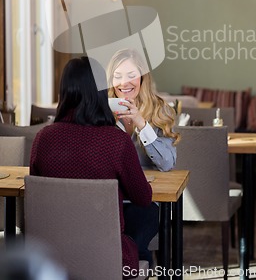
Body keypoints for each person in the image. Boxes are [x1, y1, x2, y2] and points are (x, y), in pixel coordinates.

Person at [30, 56, 152, 277]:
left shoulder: (42, 138)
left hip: (49, 257)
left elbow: (38, 196)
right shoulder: (116, 141)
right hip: (107, 257)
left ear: (64, 91)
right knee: (144, 235)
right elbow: (143, 197)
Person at [107, 48, 180, 265]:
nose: (124, 83)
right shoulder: (101, 109)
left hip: (142, 202)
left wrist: (141, 123)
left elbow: (167, 163)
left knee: (135, 238)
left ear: (143, 78)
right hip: (107, 200)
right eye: (117, 76)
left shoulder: (160, 109)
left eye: (131, 75)